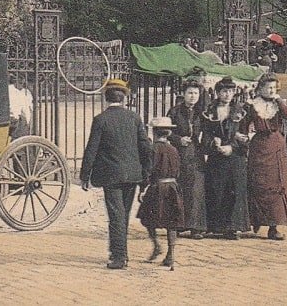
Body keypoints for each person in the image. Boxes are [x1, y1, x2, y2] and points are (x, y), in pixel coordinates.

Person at [80, 78, 153, 270]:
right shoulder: (134, 118)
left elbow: (91, 150)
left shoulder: (101, 119)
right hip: (132, 175)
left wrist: (85, 176)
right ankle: (121, 253)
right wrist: (146, 172)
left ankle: (119, 256)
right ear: (124, 98)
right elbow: (145, 148)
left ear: (106, 97)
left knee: (116, 216)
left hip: (110, 176)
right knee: (124, 215)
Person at [241, 73, 287, 240]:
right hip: (259, 147)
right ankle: (256, 220)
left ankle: (274, 226)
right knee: (257, 184)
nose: (271, 90)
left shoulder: (278, 105)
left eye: (273, 87)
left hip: (276, 147)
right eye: (268, 87)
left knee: (276, 185)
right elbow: (243, 125)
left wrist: (279, 100)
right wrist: (244, 139)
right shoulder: (253, 105)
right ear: (261, 88)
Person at [201, 78, 249, 239]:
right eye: (224, 91)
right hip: (217, 157)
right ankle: (215, 225)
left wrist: (233, 146)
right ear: (218, 93)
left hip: (235, 157)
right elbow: (206, 133)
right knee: (216, 190)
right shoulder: (210, 111)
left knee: (233, 191)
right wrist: (213, 143)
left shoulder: (240, 111)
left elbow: (246, 134)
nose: (227, 94)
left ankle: (232, 228)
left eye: (230, 91)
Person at [137, 116, 185, 270]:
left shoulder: (153, 149)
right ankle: (170, 254)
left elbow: (148, 170)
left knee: (147, 218)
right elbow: (178, 170)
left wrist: (142, 188)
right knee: (172, 221)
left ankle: (157, 245)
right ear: (169, 133)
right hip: (172, 186)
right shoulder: (174, 149)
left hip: (157, 187)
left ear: (154, 132)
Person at [166, 79, 207, 239]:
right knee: (181, 188)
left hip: (196, 154)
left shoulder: (201, 113)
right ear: (183, 94)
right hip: (179, 155)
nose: (192, 96)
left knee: (196, 189)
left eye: (196, 93)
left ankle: (196, 227)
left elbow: (208, 130)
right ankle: (180, 225)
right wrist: (178, 139)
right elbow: (167, 132)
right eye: (190, 93)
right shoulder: (175, 112)